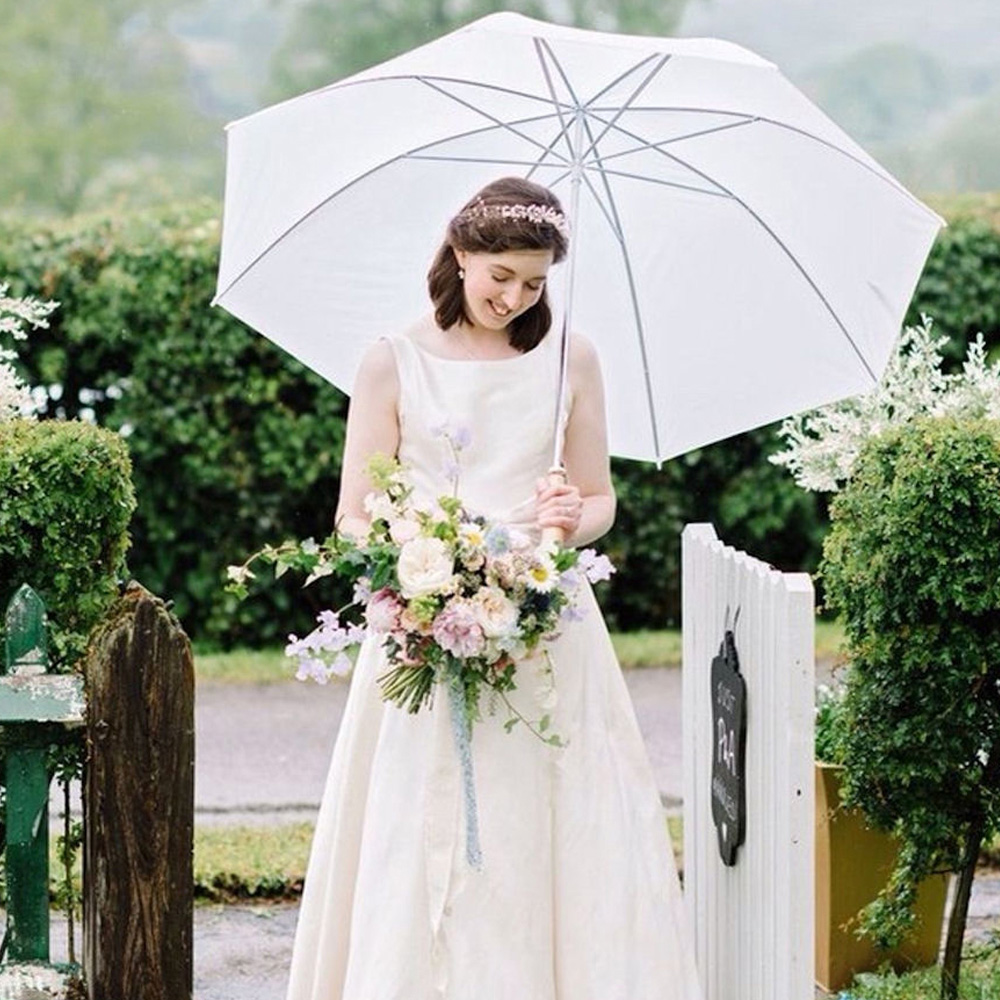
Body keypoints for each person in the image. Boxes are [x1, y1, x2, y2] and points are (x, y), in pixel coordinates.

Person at [285, 176, 702, 1000]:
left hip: (546, 624)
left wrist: (566, 515)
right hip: (422, 623)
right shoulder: (390, 361)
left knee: (549, 821)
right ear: (461, 254)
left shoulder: (570, 359)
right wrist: (421, 567)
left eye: (535, 283)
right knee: (418, 816)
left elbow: (599, 502)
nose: (514, 297)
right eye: (500, 276)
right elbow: (353, 516)